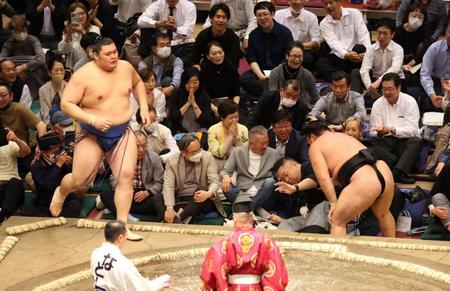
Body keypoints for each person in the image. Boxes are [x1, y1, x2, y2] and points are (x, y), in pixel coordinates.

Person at [49, 38, 150, 241]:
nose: (114, 56)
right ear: (95, 55)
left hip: (121, 130)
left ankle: (122, 226)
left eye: (115, 52)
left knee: (126, 177)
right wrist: (92, 119)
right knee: (80, 181)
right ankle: (61, 191)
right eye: (108, 53)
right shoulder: (84, 75)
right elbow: (66, 104)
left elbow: (138, 82)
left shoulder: (126, 67)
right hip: (91, 133)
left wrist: (144, 106)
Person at [302, 119, 396, 237]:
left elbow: (323, 178)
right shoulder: (342, 136)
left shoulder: (315, 146)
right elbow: (346, 164)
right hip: (382, 169)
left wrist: (333, 202)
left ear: (311, 137)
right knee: (383, 214)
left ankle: (337, 255)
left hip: (364, 179)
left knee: (337, 222)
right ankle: (393, 250)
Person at [200, 196, 288, 290]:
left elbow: (209, 275)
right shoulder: (266, 242)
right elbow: (278, 275)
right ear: (252, 217)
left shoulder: (223, 244)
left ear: (234, 218)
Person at [369, 73, 422, 184]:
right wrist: (380, 133)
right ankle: (399, 170)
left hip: (403, 142)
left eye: (390, 89)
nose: (387, 93)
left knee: (417, 141)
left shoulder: (410, 102)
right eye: (384, 89)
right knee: (371, 143)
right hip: (385, 142)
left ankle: (395, 173)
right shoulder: (377, 104)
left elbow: (413, 130)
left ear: (399, 88)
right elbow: (372, 132)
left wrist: (392, 130)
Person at [161, 133, 225, 223]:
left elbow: (215, 181)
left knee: (202, 189)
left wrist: (208, 193)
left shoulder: (207, 157)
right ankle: (179, 216)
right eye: (194, 152)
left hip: (202, 198)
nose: (199, 153)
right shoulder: (172, 161)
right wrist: (169, 208)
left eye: (199, 149)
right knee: (157, 196)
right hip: (180, 199)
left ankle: (178, 219)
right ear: (183, 152)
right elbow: (169, 185)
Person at [100, 130, 164, 220]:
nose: (141, 150)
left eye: (144, 145)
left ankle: (117, 209)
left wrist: (147, 192)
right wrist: (125, 189)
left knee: (157, 201)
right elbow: (113, 179)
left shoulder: (154, 158)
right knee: (105, 195)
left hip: (144, 196)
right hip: (126, 192)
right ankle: (127, 215)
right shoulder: (121, 156)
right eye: (137, 146)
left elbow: (160, 182)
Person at [91, 220, 171, 290]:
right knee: (162, 283)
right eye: (126, 237)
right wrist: (159, 285)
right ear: (120, 237)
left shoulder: (95, 253)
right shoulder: (123, 263)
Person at [220, 126, 278, 218]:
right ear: (251, 143)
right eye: (262, 143)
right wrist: (226, 176)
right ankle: (257, 210)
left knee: (270, 182)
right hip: (242, 191)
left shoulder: (273, 153)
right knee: (226, 187)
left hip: (263, 194)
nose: (265, 146)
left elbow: (277, 175)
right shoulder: (237, 152)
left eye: (267, 142)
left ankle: (243, 210)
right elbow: (225, 171)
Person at [239, 1, 293, 99]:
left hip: (281, 71)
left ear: (272, 14)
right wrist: (260, 75)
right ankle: (275, 94)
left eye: (265, 14)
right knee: (244, 79)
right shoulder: (253, 35)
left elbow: (288, 58)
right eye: (259, 15)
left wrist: (275, 74)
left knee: (292, 81)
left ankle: (266, 94)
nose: (262, 18)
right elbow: (251, 58)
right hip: (261, 72)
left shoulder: (285, 33)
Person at [29, 131, 82, 218]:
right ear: (43, 152)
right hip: (46, 203)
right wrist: (57, 166)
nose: (57, 154)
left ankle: (59, 221)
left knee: (75, 205)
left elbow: (72, 179)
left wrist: (70, 164)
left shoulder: (62, 160)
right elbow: (48, 185)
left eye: (59, 150)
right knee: (34, 213)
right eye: (54, 152)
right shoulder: (36, 166)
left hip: (64, 201)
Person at [316, 0, 371, 82]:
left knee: (361, 48)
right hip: (341, 56)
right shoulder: (324, 23)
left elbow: (363, 35)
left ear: (338, 2)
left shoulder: (354, 13)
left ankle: (341, 77)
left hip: (357, 55)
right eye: (325, 4)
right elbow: (333, 44)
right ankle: (345, 80)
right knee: (321, 62)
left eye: (331, 3)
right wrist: (346, 54)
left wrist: (367, 53)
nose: (328, 6)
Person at [0, 83, 47, 177]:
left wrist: (41, 148)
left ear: (11, 96)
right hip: (4, 153)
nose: (0, 99)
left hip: (25, 150)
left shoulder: (19, 108)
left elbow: (41, 125)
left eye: (3, 95)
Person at [351, 19, 405, 99]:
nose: (381, 37)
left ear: (392, 35)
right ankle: (355, 101)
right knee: (355, 72)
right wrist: (370, 87)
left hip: (393, 80)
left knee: (398, 81)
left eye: (385, 34)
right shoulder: (371, 48)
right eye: (379, 33)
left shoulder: (398, 49)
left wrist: (379, 81)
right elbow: (364, 69)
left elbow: (395, 68)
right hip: (375, 81)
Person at [273, 158, 328, 233]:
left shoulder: (309, 166)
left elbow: (317, 179)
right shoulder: (296, 187)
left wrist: (295, 187)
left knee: (318, 210)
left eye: (286, 174)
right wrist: (281, 220)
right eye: (283, 179)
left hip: (326, 210)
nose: (287, 179)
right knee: (287, 223)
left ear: (294, 164)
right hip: (309, 217)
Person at [1, 14, 49, 100]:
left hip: (35, 72)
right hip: (17, 74)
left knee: (37, 63)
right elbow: (1, 59)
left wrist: (24, 66)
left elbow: (41, 58)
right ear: (12, 32)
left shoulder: (33, 39)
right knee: (7, 67)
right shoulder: (10, 42)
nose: (21, 33)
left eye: (23, 30)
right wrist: (16, 69)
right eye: (17, 31)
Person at [189, 3, 241, 68]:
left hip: (226, 71)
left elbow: (234, 64)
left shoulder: (233, 38)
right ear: (211, 18)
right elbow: (194, 60)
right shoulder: (203, 36)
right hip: (206, 69)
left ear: (227, 20)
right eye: (218, 17)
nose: (221, 20)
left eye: (224, 17)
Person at [269, 41, 319, 106]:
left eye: (300, 56)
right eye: (294, 56)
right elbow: (273, 97)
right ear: (287, 56)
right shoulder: (275, 73)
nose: (297, 60)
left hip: (301, 109)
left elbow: (316, 98)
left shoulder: (307, 75)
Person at [167, 66, 215, 133]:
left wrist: (194, 104)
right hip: (180, 131)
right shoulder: (176, 95)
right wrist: (188, 104)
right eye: (188, 82)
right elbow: (173, 119)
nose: (191, 86)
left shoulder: (205, 96)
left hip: (200, 131)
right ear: (184, 82)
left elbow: (207, 122)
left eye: (195, 82)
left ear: (199, 82)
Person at [274, 0, 320, 70]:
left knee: (308, 58)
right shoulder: (277, 15)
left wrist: (297, 46)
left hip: (302, 51)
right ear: (288, 1)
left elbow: (316, 41)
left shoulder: (312, 17)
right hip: (282, 49)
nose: (298, 2)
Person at [57, 2, 100, 70]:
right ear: (71, 17)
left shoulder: (94, 29)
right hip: (73, 69)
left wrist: (82, 31)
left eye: (82, 13)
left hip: (91, 68)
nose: (80, 17)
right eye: (76, 14)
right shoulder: (68, 31)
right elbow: (63, 51)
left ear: (87, 15)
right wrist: (68, 35)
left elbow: (95, 48)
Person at [138, 32, 183, 97]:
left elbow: (177, 76)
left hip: (168, 92)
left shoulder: (176, 60)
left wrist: (171, 87)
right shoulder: (144, 64)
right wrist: (157, 91)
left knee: (168, 80)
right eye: (162, 45)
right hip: (149, 93)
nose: (166, 48)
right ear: (154, 49)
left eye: (168, 45)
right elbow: (144, 83)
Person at [208, 100, 248, 171]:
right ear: (222, 118)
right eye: (231, 118)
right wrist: (230, 137)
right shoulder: (213, 130)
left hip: (236, 163)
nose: (235, 120)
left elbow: (245, 153)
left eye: (236, 117)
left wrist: (236, 139)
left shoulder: (243, 129)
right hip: (217, 162)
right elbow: (219, 153)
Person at [0, 127, 30, 223]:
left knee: (15, 182)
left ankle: (3, 215)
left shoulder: (10, 144)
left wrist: (16, 139)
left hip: (11, 187)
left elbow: (27, 151)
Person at [200, 41, 240, 106]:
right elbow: (203, 94)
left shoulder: (231, 67)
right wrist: (215, 110)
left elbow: (236, 92)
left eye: (220, 52)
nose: (218, 56)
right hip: (210, 103)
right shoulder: (204, 69)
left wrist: (234, 106)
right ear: (208, 56)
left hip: (229, 102)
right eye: (214, 54)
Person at [420, 23, 450, 109]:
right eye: (449, 32)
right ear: (445, 32)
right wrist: (432, 95)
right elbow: (425, 74)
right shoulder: (435, 48)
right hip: (435, 83)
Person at [39, 58, 66, 124]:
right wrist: (50, 127)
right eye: (56, 70)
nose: (59, 72)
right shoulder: (43, 90)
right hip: (50, 120)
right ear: (49, 73)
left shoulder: (69, 87)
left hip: (66, 119)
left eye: (61, 70)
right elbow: (45, 112)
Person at [429, 161, 450, 232]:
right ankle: (448, 224)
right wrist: (433, 210)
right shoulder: (448, 167)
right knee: (437, 197)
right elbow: (433, 192)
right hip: (448, 208)